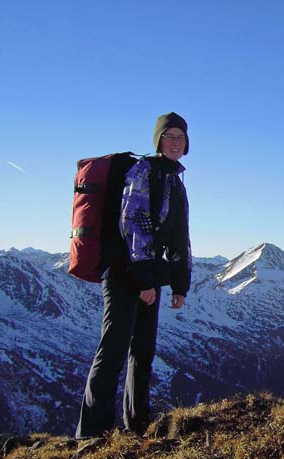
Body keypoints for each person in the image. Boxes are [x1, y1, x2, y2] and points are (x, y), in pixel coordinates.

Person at [75, 112, 192, 439]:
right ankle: (92, 432)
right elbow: (133, 223)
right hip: (125, 271)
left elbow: (180, 236)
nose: (175, 143)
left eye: (180, 138)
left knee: (143, 350)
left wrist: (179, 284)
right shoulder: (142, 172)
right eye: (169, 136)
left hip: (148, 274)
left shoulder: (175, 181)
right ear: (158, 141)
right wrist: (143, 282)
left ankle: (137, 424)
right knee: (113, 349)